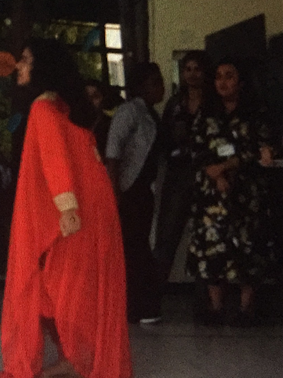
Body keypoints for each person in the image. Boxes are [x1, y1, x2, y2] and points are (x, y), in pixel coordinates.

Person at [0, 39, 131, 378]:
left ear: (43, 67)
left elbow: (55, 159)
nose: (19, 66)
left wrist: (67, 207)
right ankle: (79, 356)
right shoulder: (63, 107)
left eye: (26, 60)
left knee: (58, 283)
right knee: (75, 282)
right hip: (92, 202)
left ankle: (79, 357)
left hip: (75, 208)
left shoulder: (44, 107)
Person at [187, 57, 276, 327]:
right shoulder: (206, 113)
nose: (223, 82)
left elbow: (261, 148)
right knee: (212, 248)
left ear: (241, 81)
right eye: (218, 77)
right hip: (212, 195)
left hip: (245, 193)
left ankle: (246, 309)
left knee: (247, 247)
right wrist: (214, 173)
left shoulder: (255, 113)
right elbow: (196, 147)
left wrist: (227, 167)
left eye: (229, 76)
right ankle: (215, 307)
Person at [105, 62, 165, 324]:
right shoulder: (129, 112)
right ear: (141, 86)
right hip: (128, 188)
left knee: (137, 244)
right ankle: (136, 304)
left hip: (142, 189)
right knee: (133, 246)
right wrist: (114, 189)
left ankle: (137, 303)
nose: (160, 87)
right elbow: (113, 152)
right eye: (154, 83)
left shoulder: (151, 114)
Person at [153, 51, 210, 297]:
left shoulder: (213, 103)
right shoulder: (174, 104)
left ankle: (206, 297)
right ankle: (155, 294)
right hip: (178, 174)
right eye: (188, 69)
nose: (192, 74)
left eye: (197, 69)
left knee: (206, 235)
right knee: (168, 234)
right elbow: (164, 138)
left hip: (206, 174)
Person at [84, 78, 122, 160]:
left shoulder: (111, 125)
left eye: (95, 96)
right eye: (87, 98)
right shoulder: (77, 125)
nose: (91, 102)